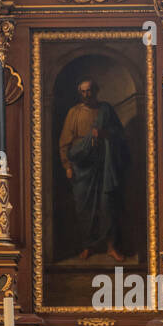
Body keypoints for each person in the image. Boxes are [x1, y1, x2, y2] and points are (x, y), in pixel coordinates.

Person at [59, 78, 130, 260]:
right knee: (84, 208)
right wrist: (67, 165)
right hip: (82, 167)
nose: (86, 95)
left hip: (105, 164)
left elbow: (120, 135)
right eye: (82, 92)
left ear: (96, 91)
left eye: (89, 91)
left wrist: (105, 134)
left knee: (108, 205)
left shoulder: (106, 110)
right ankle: (87, 246)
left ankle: (111, 246)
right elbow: (65, 142)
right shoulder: (73, 113)